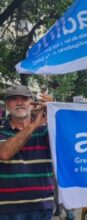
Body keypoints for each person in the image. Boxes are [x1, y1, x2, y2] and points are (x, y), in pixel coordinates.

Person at [0, 85, 53, 220]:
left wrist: (55, 111)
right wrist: (34, 125)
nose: (19, 103)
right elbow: (4, 153)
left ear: (32, 103)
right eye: (13, 99)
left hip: (41, 206)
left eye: (24, 98)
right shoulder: (1, 129)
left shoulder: (46, 130)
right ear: (7, 104)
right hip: (6, 209)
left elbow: (67, 142)